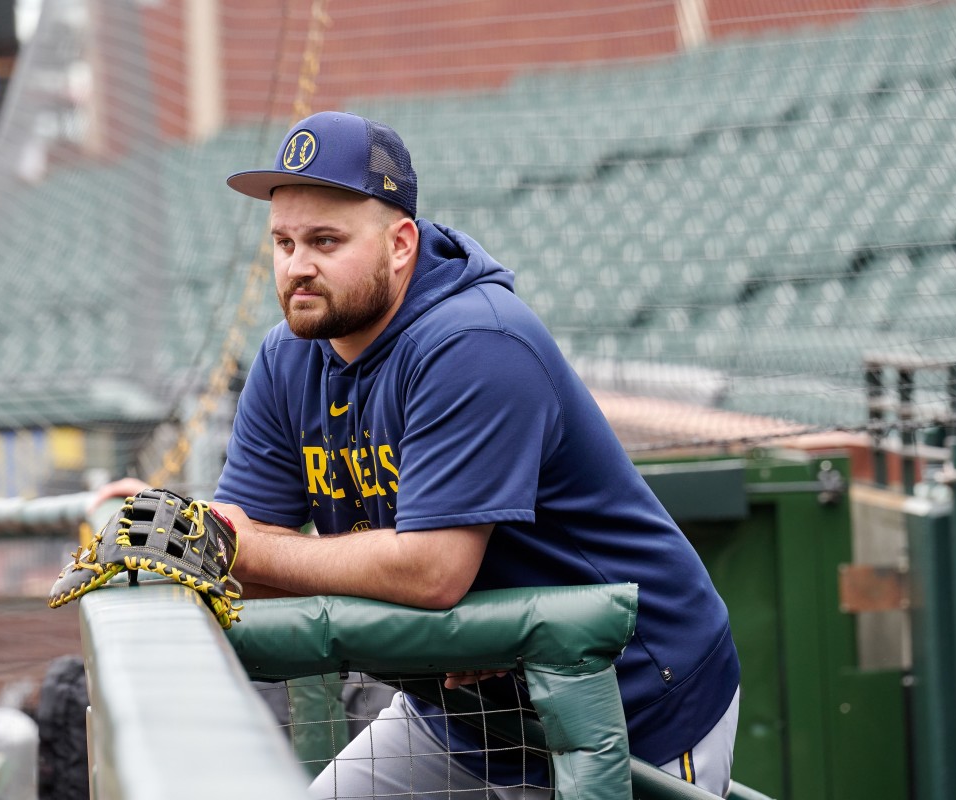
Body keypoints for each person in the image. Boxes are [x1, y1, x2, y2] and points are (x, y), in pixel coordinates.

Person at [110, 110, 740, 798]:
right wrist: (185, 542)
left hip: (627, 706)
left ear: (401, 243)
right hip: (459, 715)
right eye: (283, 242)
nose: (298, 267)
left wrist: (221, 543)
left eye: (325, 240)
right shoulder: (286, 357)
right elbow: (244, 552)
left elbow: (431, 571)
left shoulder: (475, 342)